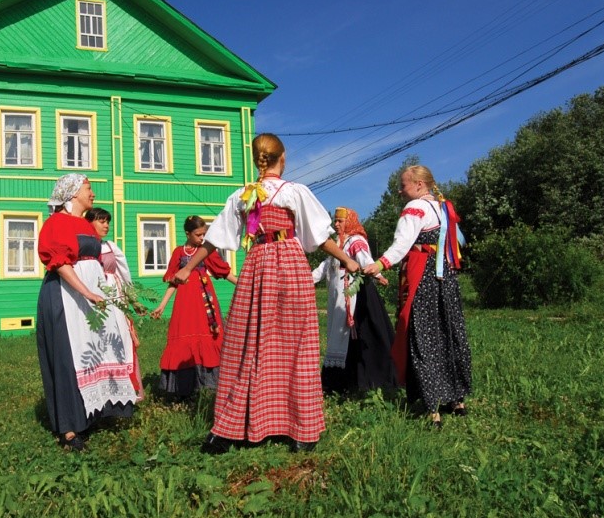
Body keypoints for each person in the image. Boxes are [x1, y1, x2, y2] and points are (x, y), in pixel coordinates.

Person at [173, 133, 360, 453]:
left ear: (256, 157)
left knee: (247, 343)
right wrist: (347, 259)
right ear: (282, 158)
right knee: (296, 345)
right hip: (290, 267)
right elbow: (317, 238)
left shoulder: (245, 195)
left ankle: (231, 428)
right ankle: (302, 431)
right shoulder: (295, 192)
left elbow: (213, 241)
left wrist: (188, 268)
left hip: (258, 266)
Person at [363, 165, 471, 429]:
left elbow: (402, 243)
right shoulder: (444, 208)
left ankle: (433, 406)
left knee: (423, 336)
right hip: (445, 277)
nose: (400, 190)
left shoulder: (416, 210)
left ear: (420, 185)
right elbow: (460, 242)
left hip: (424, 276)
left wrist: (380, 264)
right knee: (449, 332)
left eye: (404, 185)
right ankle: (457, 399)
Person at [36, 174, 137, 452]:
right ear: (72, 193)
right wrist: (87, 292)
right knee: (69, 357)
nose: (92, 193)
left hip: (90, 296)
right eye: (88, 188)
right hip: (66, 296)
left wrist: (110, 294)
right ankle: (69, 429)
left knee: (94, 350)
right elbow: (60, 263)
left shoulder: (85, 225)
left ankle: (91, 413)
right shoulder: (55, 223)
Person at [150, 215, 237, 399]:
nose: (201, 238)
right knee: (184, 337)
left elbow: (224, 272)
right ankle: (183, 388)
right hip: (185, 304)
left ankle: (210, 384)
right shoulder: (178, 253)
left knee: (209, 337)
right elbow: (173, 282)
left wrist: (243, 284)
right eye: (198, 234)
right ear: (188, 233)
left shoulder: (206, 251)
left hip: (205, 301)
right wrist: (162, 305)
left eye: (204, 234)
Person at [312, 207, 397, 394]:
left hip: (356, 296)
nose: (336, 224)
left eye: (339, 221)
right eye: (335, 221)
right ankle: (339, 383)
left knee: (357, 336)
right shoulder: (337, 245)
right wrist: (303, 280)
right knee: (338, 335)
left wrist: (378, 275)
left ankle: (364, 381)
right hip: (338, 300)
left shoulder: (355, 241)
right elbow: (322, 269)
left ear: (349, 222)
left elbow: (365, 260)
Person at [85, 207, 145, 401]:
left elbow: (124, 275)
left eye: (107, 221)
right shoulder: (83, 249)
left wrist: (134, 300)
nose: (106, 225)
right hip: (93, 297)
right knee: (97, 339)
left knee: (119, 338)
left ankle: (127, 388)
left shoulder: (111, 247)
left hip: (114, 297)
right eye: (101, 221)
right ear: (89, 223)